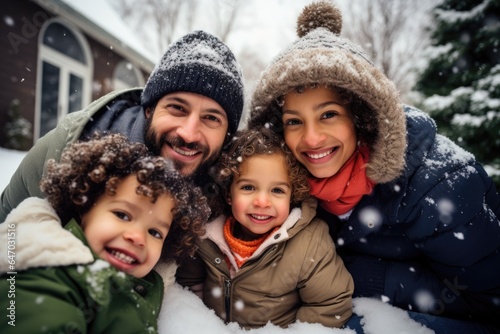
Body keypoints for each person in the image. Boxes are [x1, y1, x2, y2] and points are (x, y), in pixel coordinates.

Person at [247, 1, 500, 333]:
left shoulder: (440, 184)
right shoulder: (287, 188)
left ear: (361, 117)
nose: (311, 138)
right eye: (294, 121)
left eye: (328, 114)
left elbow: (489, 302)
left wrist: (361, 276)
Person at [0, 29, 244, 223]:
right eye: (177, 108)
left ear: (226, 135)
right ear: (149, 109)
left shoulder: (236, 193)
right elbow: (7, 233)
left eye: (211, 118)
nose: (189, 133)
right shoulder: (69, 147)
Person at [0, 133, 210, 333]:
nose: (137, 238)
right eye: (122, 215)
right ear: (83, 207)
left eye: (155, 232)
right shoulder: (51, 277)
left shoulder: (146, 287)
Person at [175, 127, 354, 329]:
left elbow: (329, 303)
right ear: (228, 194)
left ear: (292, 196)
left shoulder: (309, 243)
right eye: (248, 187)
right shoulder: (205, 235)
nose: (262, 202)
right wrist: (201, 325)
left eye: (277, 190)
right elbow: (189, 284)